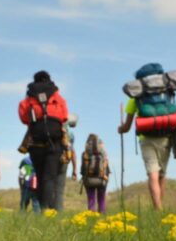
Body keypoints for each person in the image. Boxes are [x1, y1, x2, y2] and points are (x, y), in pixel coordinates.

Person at [117, 63, 176, 211]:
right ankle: (159, 209)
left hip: (146, 139)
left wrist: (121, 129)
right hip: (166, 137)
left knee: (152, 175)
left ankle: (158, 209)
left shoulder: (135, 98)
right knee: (162, 175)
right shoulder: (167, 92)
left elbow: (127, 126)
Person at [18, 71, 69, 210]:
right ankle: (46, 211)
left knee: (40, 177)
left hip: (35, 143)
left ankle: (42, 211)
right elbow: (64, 117)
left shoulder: (28, 98)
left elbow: (23, 118)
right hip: (55, 142)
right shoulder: (57, 96)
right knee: (49, 178)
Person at [80, 133, 110, 213]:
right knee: (101, 197)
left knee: (91, 197)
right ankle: (102, 213)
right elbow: (107, 167)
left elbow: (82, 169)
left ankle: (91, 214)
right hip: (102, 179)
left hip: (89, 180)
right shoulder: (103, 153)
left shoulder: (84, 154)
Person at [55, 113, 79, 211]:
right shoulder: (70, 135)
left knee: (47, 184)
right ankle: (58, 211)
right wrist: (74, 170)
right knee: (59, 188)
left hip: (48, 159)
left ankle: (45, 211)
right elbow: (72, 152)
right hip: (63, 160)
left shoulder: (50, 130)